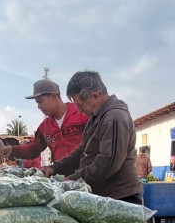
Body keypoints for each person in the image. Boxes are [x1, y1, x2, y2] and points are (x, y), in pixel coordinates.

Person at [42, 71, 143, 203]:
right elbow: (81, 152)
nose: (78, 110)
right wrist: (55, 168)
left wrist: (74, 179)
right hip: (106, 197)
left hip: (121, 198)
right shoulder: (95, 119)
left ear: (95, 96)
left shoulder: (114, 118)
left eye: (80, 104)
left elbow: (107, 163)